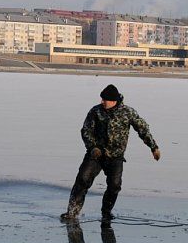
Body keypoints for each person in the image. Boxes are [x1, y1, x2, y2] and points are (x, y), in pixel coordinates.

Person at [61, 84, 160, 221]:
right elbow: (86, 130)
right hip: (96, 155)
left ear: (113, 100)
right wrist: (92, 147)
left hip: (116, 157)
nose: (102, 102)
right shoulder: (95, 111)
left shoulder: (128, 112)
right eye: (101, 99)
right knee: (82, 180)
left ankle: (106, 212)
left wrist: (153, 147)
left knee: (114, 186)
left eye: (104, 99)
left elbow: (142, 129)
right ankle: (72, 213)